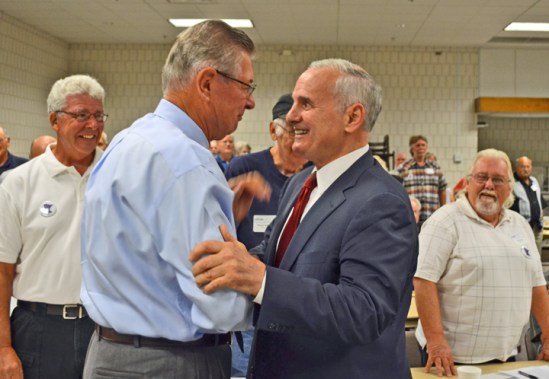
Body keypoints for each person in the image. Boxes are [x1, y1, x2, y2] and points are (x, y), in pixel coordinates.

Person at [190, 58, 418, 379]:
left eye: (306, 104)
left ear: (352, 117)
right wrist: (228, 255)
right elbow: (272, 257)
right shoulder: (302, 183)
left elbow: (364, 312)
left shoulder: (381, 200)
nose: (291, 116)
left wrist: (261, 281)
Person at [80, 20, 266, 379]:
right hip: (168, 362)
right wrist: (276, 291)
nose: (251, 101)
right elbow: (219, 305)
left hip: (111, 353)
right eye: (246, 85)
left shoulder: (128, 140)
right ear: (207, 82)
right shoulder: (186, 162)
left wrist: (218, 213)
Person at [0, 74, 106, 379]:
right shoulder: (19, 183)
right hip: (39, 329)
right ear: (54, 120)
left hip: (105, 329)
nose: (92, 125)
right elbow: (3, 271)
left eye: (98, 115)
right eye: (81, 115)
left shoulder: (116, 175)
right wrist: (4, 348)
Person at [413, 148, 549, 377]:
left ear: (509, 187)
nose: (488, 185)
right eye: (481, 177)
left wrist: (547, 334)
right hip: (452, 360)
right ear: (468, 182)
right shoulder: (445, 221)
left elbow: (537, 286)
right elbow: (423, 281)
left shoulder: (520, 225)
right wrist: (436, 342)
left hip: (508, 358)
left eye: (497, 179)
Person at [224, 94, 308, 376]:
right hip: (249, 305)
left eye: (304, 134)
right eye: (292, 133)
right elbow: (222, 230)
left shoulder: (313, 176)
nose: (298, 143)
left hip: (295, 305)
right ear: (274, 131)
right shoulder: (244, 167)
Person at [394, 135, 447, 227]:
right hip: (411, 217)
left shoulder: (435, 167)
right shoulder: (404, 168)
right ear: (412, 148)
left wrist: (442, 210)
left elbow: (442, 189)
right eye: (418, 145)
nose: (421, 147)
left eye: (423, 145)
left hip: (431, 216)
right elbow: (395, 189)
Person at [511, 156, 547, 254]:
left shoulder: (534, 181)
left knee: (536, 253)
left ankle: (536, 269)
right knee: (523, 253)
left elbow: (539, 200)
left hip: (537, 226)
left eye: (528, 166)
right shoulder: (512, 183)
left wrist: (541, 215)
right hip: (521, 227)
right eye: (523, 167)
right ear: (517, 168)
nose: (526, 169)